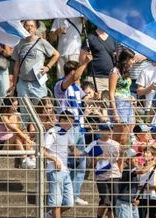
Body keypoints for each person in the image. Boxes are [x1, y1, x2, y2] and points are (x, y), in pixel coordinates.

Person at [53, 51, 93, 206]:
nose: (80, 76)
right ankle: (65, 194)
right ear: (71, 73)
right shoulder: (60, 85)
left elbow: (84, 99)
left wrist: (89, 100)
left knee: (81, 164)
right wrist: (85, 62)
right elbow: (75, 77)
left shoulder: (77, 88)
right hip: (68, 128)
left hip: (79, 127)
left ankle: (74, 195)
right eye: (79, 72)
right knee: (69, 163)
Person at [8, 20, 60, 102]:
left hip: (38, 83)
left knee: (39, 111)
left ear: (36, 29)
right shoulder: (19, 43)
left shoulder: (42, 42)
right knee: (24, 111)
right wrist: (14, 84)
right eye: (27, 26)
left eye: (32, 26)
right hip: (23, 83)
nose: (29, 28)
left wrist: (48, 67)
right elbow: (16, 65)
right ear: (23, 28)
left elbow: (56, 54)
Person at [43, 110, 81, 218]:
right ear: (62, 120)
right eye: (69, 122)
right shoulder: (52, 132)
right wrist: (54, 159)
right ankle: (52, 214)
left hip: (65, 171)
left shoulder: (67, 133)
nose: (71, 125)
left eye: (72, 122)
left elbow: (73, 148)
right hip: (54, 170)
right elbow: (42, 151)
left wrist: (78, 152)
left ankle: (49, 215)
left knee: (69, 203)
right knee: (56, 203)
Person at [84, 125, 121, 218]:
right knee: (105, 200)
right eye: (105, 129)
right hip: (101, 177)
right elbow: (90, 165)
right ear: (100, 131)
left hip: (115, 175)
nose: (108, 132)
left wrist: (120, 171)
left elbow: (120, 160)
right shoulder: (94, 144)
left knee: (114, 200)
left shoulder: (116, 144)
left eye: (110, 129)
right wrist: (98, 158)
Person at [0, 97, 35, 169]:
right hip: (2, 144)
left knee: (22, 137)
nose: (16, 108)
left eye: (17, 105)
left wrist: (27, 138)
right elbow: (14, 129)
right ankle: (25, 160)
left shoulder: (16, 116)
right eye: (14, 105)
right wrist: (26, 138)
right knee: (17, 136)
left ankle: (33, 159)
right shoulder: (3, 116)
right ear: (7, 105)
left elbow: (20, 129)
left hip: (13, 142)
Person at [108, 47, 135, 125]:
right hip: (119, 103)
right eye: (132, 59)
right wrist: (115, 113)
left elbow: (126, 89)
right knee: (121, 132)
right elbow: (111, 93)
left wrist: (131, 98)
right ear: (126, 59)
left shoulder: (126, 72)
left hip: (128, 103)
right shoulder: (115, 72)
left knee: (129, 130)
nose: (134, 62)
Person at [138, 147, 156, 218]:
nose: (144, 154)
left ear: (153, 155)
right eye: (144, 152)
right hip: (140, 196)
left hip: (152, 196)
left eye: (147, 152)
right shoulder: (140, 167)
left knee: (152, 215)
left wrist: (152, 187)